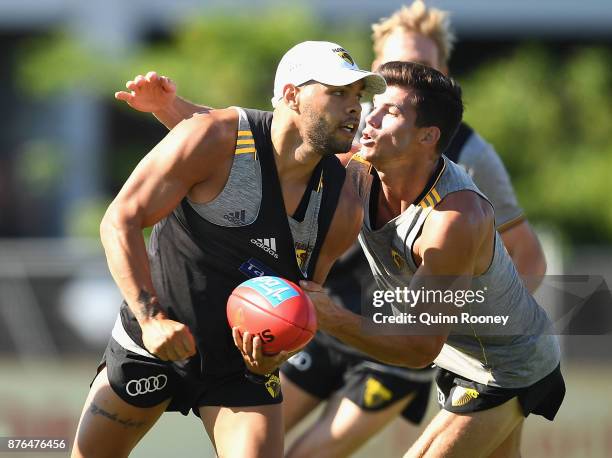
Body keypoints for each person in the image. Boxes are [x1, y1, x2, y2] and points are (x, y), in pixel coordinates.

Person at [117, 3, 548, 456]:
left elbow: (507, 274)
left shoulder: (464, 188)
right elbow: (269, 134)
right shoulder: (358, 146)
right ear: (376, 70)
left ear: (440, 77)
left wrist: (473, 314)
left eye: (422, 66)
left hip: (437, 347)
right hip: (327, 311)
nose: (369, 115)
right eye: (390, 71)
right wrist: (173, 109)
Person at [71, 40, 386, 458]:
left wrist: (276, 356)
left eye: (358, 96)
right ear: (291, 95)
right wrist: (151, 320)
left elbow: (303, 306)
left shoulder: (343, 206)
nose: (354, 107)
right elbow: (119, 220)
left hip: (240, 368)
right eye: (337, 92)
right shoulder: (214, 138)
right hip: (156, 339)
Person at [301, 60, 565, 457]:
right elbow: (266, 144)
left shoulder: (454, 219)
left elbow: (419, 346)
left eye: (390, 112)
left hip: (504, 367)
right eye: (373, 105)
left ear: (428, 136)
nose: (368, 117)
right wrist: (173, 108)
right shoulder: (355, 166)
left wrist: (329, 316)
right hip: (460, 356)